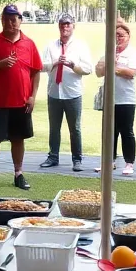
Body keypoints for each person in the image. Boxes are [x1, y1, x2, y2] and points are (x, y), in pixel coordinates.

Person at [0, 5, 42, 190]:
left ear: (21, 20)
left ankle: (18, 173)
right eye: (7, 19)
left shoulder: (29, 44)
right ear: (2, 20)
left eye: (14, 19)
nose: (11, 23)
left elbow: (36, 71)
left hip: (21, 101)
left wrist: (32, 96)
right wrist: (1, 63)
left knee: (18, 138)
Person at [39, 14, 93, 172]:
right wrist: (55, 63)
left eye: (68, 24)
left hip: (72, 93)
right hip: (54, 92)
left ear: (73, 26)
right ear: (59, 27)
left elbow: (88, 69)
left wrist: (72, 65)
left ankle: (77, 159)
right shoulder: (51, 46)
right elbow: (41, 66)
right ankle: (53, 156)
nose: (65, 27)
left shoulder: (81, 46)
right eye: (62, 24)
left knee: (74, 128)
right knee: (54, 127)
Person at [95, 19, 136, 176]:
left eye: (121, 35)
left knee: (126, 131)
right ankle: (109, 162)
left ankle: (129, 163)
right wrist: (109, 64)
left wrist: (114, 67)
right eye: (115, 35)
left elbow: (131, 73)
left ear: (128, 36)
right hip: (109, 99)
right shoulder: (109, 51)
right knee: (110, 132)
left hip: (126, 99)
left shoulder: (133, 53)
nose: (118, 38)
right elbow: (98, 71)